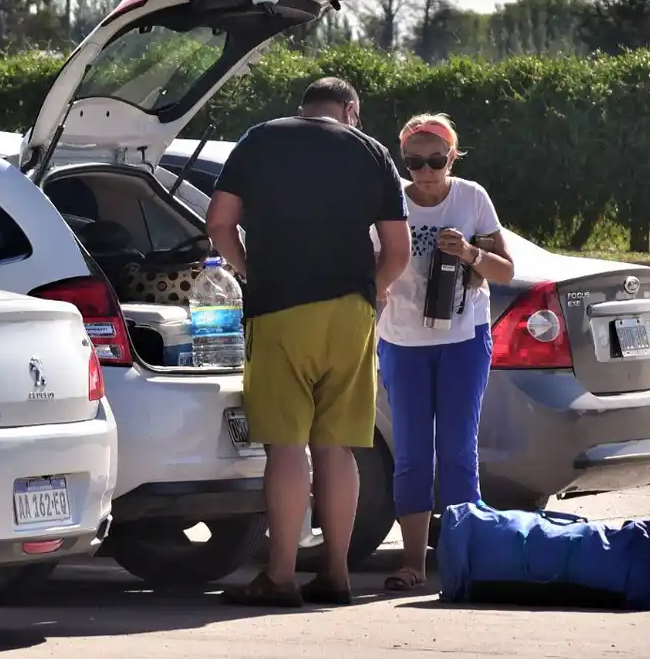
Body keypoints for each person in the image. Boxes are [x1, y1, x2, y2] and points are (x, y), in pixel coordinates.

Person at [205, 76, 410, 607]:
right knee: (336, 446)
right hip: (351, 312)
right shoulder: (371, 151)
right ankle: (337, 574)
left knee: (287, 445)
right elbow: (398, 249)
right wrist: (376, 291)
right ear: (349, 109)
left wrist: (248, 270)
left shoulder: (260, 139)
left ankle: (279, 576)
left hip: (280, 309)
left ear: (304, 106)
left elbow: (219, 223)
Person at [374, 113, 515, 592]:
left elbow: (504, 269)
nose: (426, 172)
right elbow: (367, 260)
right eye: (415, 162)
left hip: (463, 339)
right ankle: (412, 562)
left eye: (436, 160)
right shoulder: (390, 197)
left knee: (457, 452)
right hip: (403, 340)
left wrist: (472, 255)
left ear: (452, 157)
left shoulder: (471, 196)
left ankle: (461, 559)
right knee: (412, 452)